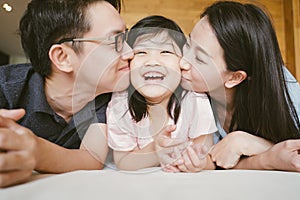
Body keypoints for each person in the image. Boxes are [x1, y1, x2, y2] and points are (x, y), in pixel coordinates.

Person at [0, 0, 133, 187]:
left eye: (127, 39)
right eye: (116, 41)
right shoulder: (6, 86)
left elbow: (91, 158)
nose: (131, 52)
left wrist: (38, 152)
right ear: (63, 57)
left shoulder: (110, 98)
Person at [157, 1, 300, 172]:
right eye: (188, 44)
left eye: (200, 59)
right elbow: (216, 163)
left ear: (234, 77)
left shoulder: (285, 91)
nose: (183, 62)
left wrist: (247, 143)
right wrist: (265, 157)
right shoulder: (186, 88)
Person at [106, 15, 217, 171]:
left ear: (182, 62)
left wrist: (193, 163)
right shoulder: (120, 103)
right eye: (141, 52)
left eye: (166, 51)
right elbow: (123, 162)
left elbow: (205, 154)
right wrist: (155, 151)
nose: (153, 61)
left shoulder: (194, 99)